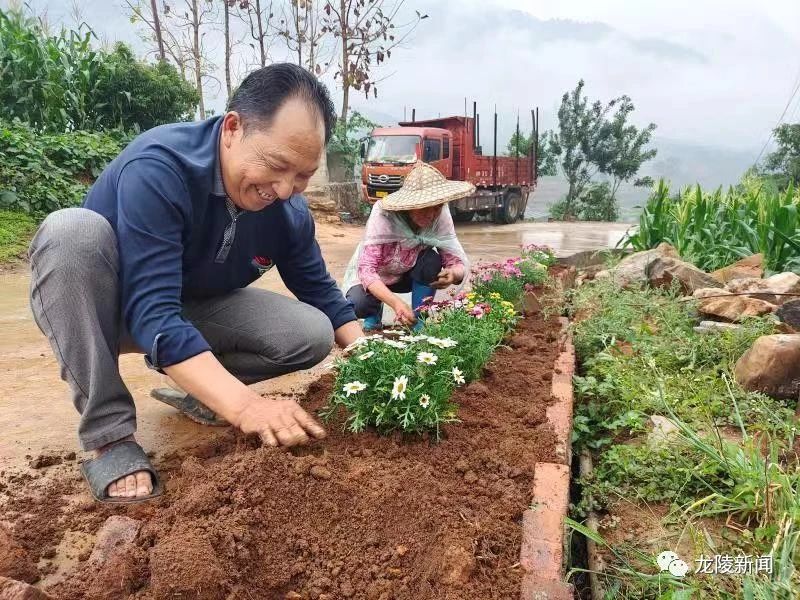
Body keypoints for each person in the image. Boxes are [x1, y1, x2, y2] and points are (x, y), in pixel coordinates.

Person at [27, 63, 363, 503]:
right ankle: (110, 435)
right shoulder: (160, 167)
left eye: (302, 175)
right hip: (111, 308)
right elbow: (153, 310)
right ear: (233, 128)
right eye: (277, 165)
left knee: (310, 332)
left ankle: (204, 390)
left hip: (186, 309)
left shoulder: (287, 212)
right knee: (70, 233)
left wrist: (371, 356)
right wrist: (245, 406)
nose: (284, 189)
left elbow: (322, 293)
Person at [342, 162, 475, 330]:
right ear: (409, 206)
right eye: (424, 208)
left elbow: (454, 259)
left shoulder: (440, 217)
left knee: (431, 260)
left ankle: (418, 320)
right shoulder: (384, 216)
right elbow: (367, 270)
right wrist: (396, 303)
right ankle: (373, 312)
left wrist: (453, 274)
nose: (431, 214)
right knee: (358, 303)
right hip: (378, 276)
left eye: (437, 208)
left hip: (407, 275)